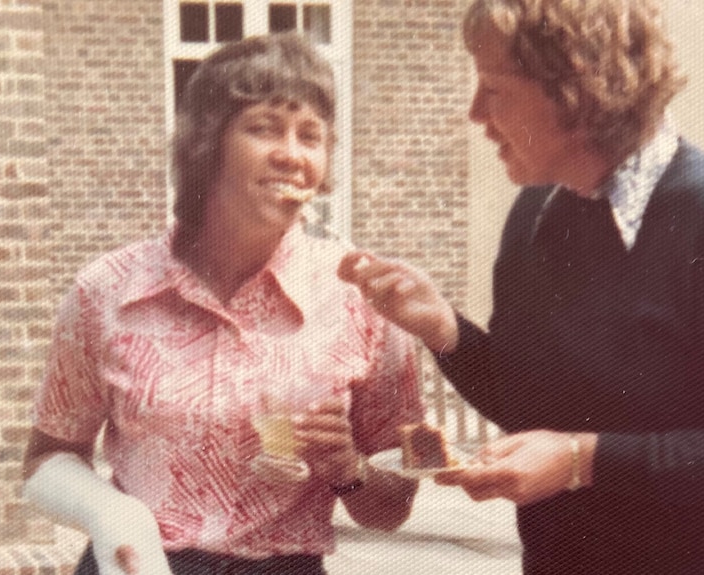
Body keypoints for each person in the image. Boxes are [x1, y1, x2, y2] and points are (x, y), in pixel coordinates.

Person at [337, 1, 704, 573]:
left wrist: (582, 459)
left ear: (576, 91)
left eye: (493, 89)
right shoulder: (538, 211)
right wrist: (444, 330)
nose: (474, 113)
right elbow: (533, 403)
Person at [23, 32, 424, 575]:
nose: (292, 154)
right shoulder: (107, 289)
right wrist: (112, 516)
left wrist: (349, 467)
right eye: (264, 129)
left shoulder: (359, 297)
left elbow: (392, 508)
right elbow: (48, 458)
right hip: (134, 564)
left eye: (311, 136)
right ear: (207, 144)